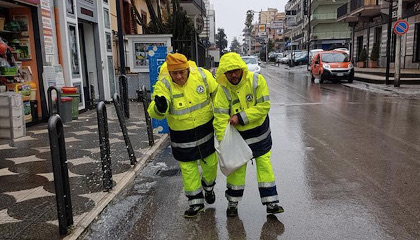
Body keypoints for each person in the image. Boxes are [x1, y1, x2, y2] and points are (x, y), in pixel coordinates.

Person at [213, 52, 284, 217]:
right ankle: (232, 203)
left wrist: (240, 117)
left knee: (265, 167)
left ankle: (271, 202)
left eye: (236, 70)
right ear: (224, 73)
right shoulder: (222, 91)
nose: (234, 75)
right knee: (236, 171)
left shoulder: (256, 80)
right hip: (239, 139)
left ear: (241, 69)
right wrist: (225, 143)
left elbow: (264, 105)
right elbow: (220, 118)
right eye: (229, 72)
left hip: (260, 135)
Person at [147, 53, 218, 218]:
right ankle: (195, 203)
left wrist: (223, 117)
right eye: (175, 73)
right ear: (170, 72)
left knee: (210, 164)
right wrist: (159, 107)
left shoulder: (202, 75)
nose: (179, 77)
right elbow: (155, 110)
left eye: (182, 72)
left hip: (205, 130)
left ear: (187, 69)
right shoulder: (164, 84)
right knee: (188, 168)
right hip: (181, 136)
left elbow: (217, 94)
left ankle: (208, 187)